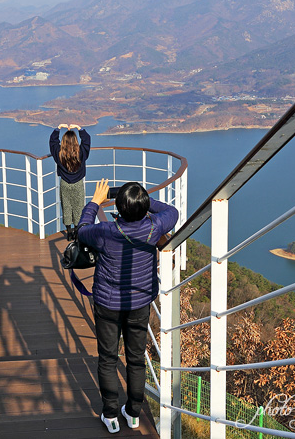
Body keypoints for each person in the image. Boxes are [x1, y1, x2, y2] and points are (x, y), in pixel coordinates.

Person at [77, 179, 179, 434]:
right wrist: (145, 202)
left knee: (108, 358)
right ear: (144, 208)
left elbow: (81, 230)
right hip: (139, 304)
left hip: (107, 304)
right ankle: (133, 413)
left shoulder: (105, 232)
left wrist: (94, 202)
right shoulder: (154, 227)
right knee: (135, 360)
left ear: (119, 210)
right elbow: (172, 212)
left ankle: (110, 415)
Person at [49, 123, 91, 240]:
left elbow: (53, 142)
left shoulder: (59, 153)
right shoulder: (81, 153)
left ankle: (69, 232)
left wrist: (58, 128)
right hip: (78, 183)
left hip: (65, 183)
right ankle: (78, 233)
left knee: (66, 206)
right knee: (78, 207)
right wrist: (79, 129)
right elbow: (87, 141)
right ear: (76, 141)